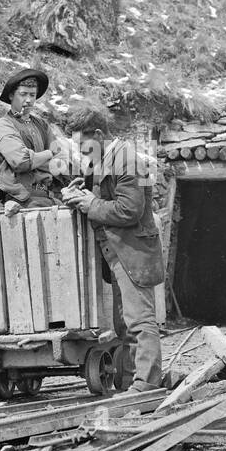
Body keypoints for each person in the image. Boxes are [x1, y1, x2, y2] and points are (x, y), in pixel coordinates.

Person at [60, 105, 164, 392]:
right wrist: (87, 189)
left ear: (98, 134)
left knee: (140, 321)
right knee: (124, 324)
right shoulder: (106, 157)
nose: (81, 152)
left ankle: (147, 384)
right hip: (117, 252)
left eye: (83, 145)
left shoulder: (128, 160)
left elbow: (129, 210)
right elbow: (111, 194)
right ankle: (131, 380)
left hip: (132, 252)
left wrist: (90, 204)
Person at [0, 66, 68, 208]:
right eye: (23, 94)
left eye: (32, 95)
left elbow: (61, 163)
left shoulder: (42, 124)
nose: (28, 100)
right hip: (17, 198)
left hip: (46, 194)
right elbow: (21, 162)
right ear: (12, 95)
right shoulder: (3, 125)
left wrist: (37, 160)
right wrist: (49, 154)